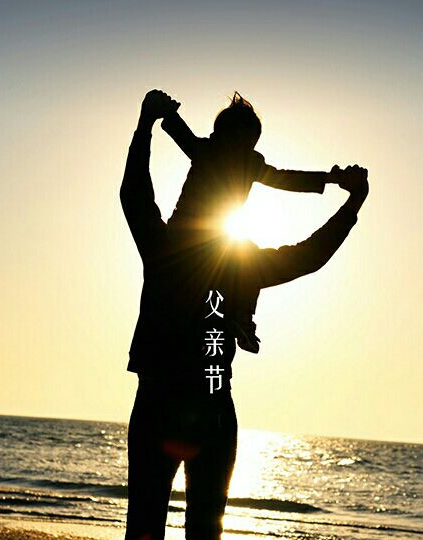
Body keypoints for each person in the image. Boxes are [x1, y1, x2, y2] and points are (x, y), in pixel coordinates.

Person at [120, 89, 368, 540]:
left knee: (153, 527)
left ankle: (242, 323)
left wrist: (146, 125)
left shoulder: (177, 251)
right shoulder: (213, 255)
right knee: (179, 529)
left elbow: (135, 193)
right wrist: (351, 202)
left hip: (178, 402)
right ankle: (241, 323)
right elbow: (307, 257)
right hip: (197, 403)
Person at [160, 92, 347, 353]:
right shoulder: (207, 151)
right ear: (223, 136)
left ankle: (241, 316)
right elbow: (182, 135)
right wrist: (168, 113)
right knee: (242, 250)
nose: (242, 151)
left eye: (249, 145)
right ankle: (240, 316)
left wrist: (327, 178)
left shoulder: (250, 163)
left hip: (216, 238)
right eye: (240, 143)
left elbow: (284, 178)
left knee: (243, 253)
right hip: (184, 234)